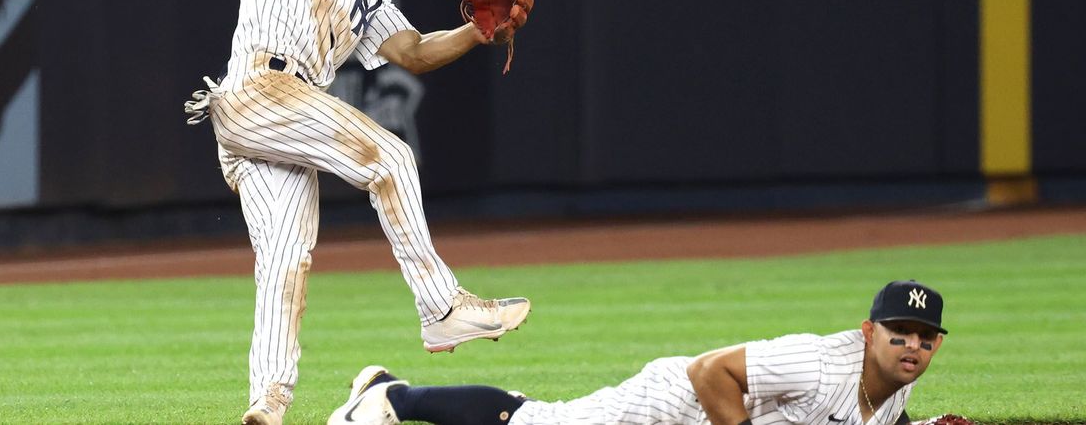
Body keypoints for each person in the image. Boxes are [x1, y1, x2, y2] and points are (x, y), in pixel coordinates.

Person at [179, 0, 533, 425]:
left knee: (287, 261)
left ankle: (268, 404)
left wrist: (476, 31)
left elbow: (413, 52)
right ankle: (442, 308)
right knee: (392, 158)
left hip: (281, 116)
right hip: (258, 87)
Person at [329, 280, 949, 425]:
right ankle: (389, 393)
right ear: (868, 332)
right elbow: (712, 372)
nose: (912, 346)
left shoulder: (895, 383)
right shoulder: (819, 361)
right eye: (900, 332)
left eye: (924, 337)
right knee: (538, 424)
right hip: (673, 401)